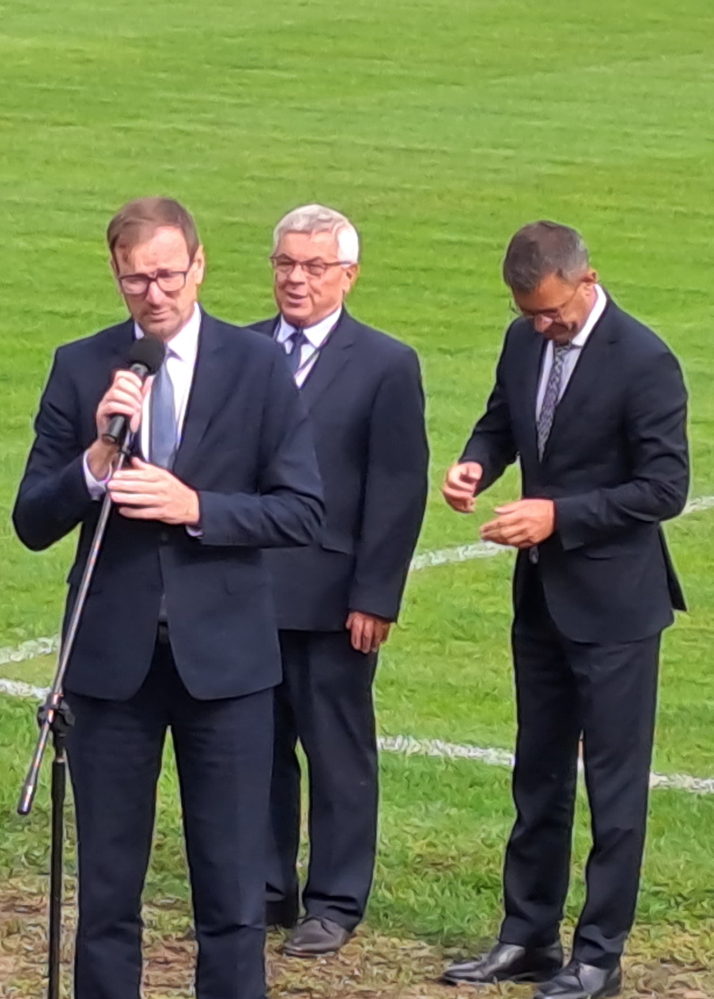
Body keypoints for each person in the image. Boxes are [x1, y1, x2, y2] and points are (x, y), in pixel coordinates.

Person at [12, 197, 323, 999]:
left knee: (232, 890)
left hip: (226, 668)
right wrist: (95, 461)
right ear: (115, 276)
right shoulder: (82, 366)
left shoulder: (258, 366)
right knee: (107, 890)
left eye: (167, 276)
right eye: (135, 280)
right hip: (111, 667)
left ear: (199, 265)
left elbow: (301, 509)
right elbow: (32, 519)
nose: (153, 294)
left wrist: (197, 507)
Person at [439, 222, 688, 999]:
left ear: (589, 279)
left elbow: (664, 488)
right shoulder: (524, 341)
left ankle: (599, 954)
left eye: (553, 311)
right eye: (531, 313)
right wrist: (476, 461)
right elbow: (503, 420)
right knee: (538, 772)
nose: (544, 325)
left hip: (616, 607)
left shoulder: (644, 360)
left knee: (613, 788)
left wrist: (557, 515)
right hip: (543, 598)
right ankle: (528, 935)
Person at [249, 205, 429, 957]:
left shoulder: (386, 364)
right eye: (286, 264)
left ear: (348, 275)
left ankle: (334, 900)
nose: (297, 279)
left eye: (315, 266)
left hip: (332, 598)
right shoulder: (243, 349)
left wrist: (375, 594)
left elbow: (398, 486)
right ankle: (263, 888)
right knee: (254, 748)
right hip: (248, 589)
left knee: (337, 753)